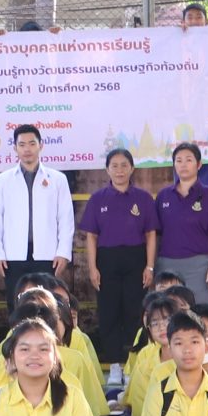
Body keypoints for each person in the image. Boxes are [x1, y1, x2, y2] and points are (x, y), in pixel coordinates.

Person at [79, 149, 156, 366]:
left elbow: (151, 234)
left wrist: (149, 267)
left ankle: (133, 363)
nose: (119, 170)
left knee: (135, 311)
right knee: (108, 312)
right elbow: (91, 236)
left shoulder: (143, 198)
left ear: (132, 168)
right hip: (107, 260)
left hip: (136, 258)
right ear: (107, 169)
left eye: (124, 165)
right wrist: (93, 268)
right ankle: (114, 364)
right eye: (114, 166)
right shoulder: (98, 199)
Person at [0, 124, 73, 305]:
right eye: (22, 144)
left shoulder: (58, 179)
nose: (27, 149)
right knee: (17, 306)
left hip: (48, 256)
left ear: (41, 145)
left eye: (32, 144)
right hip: (12, 256)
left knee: (47, 306)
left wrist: (63, 252)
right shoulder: (2, 181)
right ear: (15, 148)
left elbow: (65, 219)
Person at [153, 142, 208, 310]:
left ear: (199, 165)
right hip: (167, 265)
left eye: (188, 160)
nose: (183, 165)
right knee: (168, 314)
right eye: (178, 161)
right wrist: (153, 266)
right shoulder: (163, 196)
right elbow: (156, 235)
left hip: (200, 267)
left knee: (200, 314)